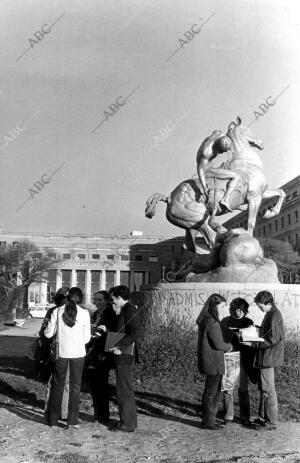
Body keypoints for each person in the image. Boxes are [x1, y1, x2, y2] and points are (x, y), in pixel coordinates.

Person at [44, 287, 91, 428]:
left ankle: (52, 420)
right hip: (78, 353)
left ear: (67, 297)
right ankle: (72, 420)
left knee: (58, 385)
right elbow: (86, 338)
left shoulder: (58, 311)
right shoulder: (85, 313)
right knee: (75, 387)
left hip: (62, 353)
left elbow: (48, 334)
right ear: (81, 299)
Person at [196, 293, 232, 430]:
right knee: (212, 392)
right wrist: (229, 346)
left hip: (209, 360)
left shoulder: (205, 318)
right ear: (215, 306)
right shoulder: (212, 321)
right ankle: (208, 421)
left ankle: (209, 419)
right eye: (222, 306)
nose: (223, 309)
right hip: (214, 361)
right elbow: (218, 344)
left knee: (212, 391)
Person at [109, 285, 140, 432]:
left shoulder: (129, 310)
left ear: (120, 298)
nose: (113, 301)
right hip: (123, 354)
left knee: (124, 389)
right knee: (123, 389)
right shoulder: (126, 309)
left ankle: (127, 423)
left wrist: (120, 347)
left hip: (124, 354)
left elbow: (134, 332)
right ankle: (127, 421)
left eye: (114, 298)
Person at [221, 298, 256, 428]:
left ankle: (245, 417)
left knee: (243, 388)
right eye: (237, 309)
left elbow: (253, 341)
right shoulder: (225, 321)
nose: (239, 312)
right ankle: (228, 415)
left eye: (242, 310)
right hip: (229, 356)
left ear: (245, 310)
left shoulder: (248, 322)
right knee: (228, 388)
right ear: (232, 309)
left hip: (244, 357)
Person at [253, 291, 284, 430]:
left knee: (268, 390)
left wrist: (253, 343)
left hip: (269, 357)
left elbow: (272, 339)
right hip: (266, 355)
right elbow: (269, 333)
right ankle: (263, 418)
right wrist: (257, 330)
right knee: (264, 388)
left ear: (268, 304)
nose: (259, 308)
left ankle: (270, 422)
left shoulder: (274, 315)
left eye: (260, 306)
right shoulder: (271, 313)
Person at [87, 290, 118, 423]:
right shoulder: (94, 314)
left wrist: (103, 333)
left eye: (100, 300)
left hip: (103, 354)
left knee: (102, 385)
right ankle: (96, 414)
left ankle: (104, 415)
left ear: (106, 300)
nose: (97, 302)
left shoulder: (111, 314)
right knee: (93, 385)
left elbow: (114, 334)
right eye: (95, 300)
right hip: (92, 352)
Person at [39, 287, 70, 421]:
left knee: (57, 382)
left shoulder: (55, 310)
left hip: (58, 350)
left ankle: (55, 411)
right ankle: (58, 412)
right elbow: (43, 331)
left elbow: (44, 331)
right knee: (62, 382)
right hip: (64, 351)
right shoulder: (53, 311)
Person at [196, 130, 238, 212]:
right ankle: (225, 200)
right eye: (221, 151)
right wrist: (204, 187)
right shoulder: (207, 152)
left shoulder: (219, 133)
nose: (222, 153)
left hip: (211, 164)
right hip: (206, 170)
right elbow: (200, 169)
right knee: (236, 176)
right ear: (218, 147)